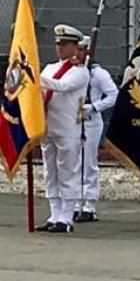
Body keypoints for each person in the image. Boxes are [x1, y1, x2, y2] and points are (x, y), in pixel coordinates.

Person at [36, 25, 91, 233]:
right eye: (58, 44)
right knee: (50, 172)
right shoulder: (49, 68)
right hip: (48, 126)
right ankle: (54, 214)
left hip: (68, 128)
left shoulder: (80, 72)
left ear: (75, 47)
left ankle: (66, 217)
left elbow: (62, 86)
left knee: (67, 172)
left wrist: (33, 76)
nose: (59, 48)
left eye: (65, 44)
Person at [73, 36, 118, 223]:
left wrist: (93, 107)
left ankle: (89, 204)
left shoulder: (98, 73)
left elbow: (114, 95)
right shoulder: (74, 71)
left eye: (82, 50)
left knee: (88, 162)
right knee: (74, 163)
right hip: (73, 121)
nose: (78, 53)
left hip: (91, 121)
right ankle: (76, 202)